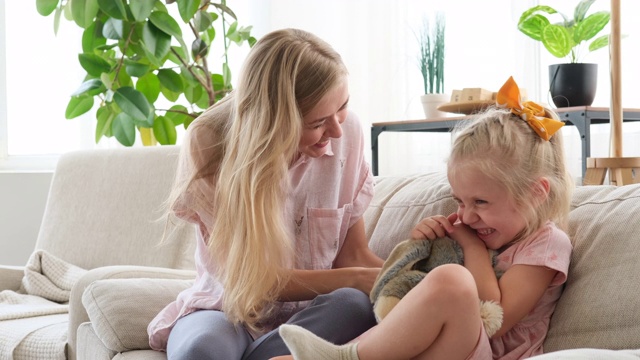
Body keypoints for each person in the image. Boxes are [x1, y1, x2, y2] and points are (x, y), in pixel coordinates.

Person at [276, 76, 574, 360]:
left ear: (537, 193)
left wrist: (472, 249)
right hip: (446, 347)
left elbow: (496, 318)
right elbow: (417, 299)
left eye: (480, 202)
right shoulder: (482, 231)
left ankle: (342, 357)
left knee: (452, 279)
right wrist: (423, 250)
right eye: (460, 201)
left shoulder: (546, 245)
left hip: (489, 352)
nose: (466, 216)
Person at [147, 28, 384, 360]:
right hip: (226, 311)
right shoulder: (211, 141)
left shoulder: (347, 133)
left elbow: (354, 257)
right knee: (202, 350)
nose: (336, 130)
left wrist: (417, 278)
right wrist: (359, 278)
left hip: (316, 315)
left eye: (342, 107)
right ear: (272, 121)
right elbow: (253, 281)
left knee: (354, 305)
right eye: (316, 122)